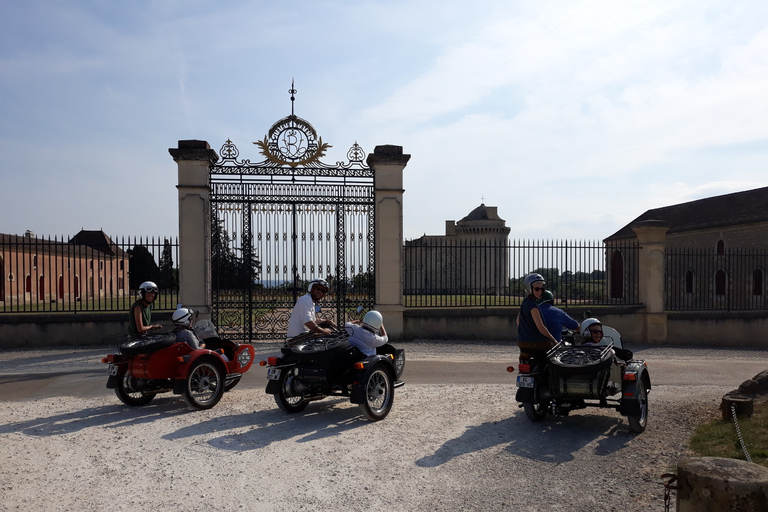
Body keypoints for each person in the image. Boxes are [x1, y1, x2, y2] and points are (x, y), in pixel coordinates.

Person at [516, 273, 558, 352]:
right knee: (556, 350)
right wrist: (554, 340)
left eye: (542, 289)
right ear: (529, 288)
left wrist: (527, 331)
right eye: (537, 289)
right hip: (535, 343)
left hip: (522, 342)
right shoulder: (533, 305)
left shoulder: (525, 302)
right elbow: (541, 328)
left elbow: (518, 321)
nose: (539, 291)